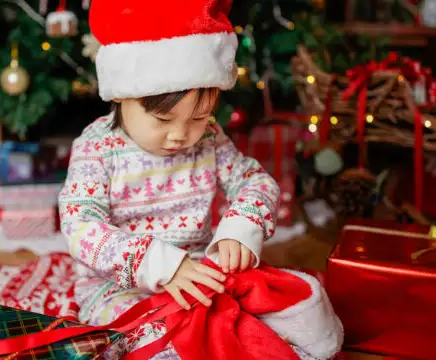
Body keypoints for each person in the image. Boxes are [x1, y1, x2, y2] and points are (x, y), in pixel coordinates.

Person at [59, 0, 343, 359]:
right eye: (163, 121)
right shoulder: (97, 148)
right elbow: (81, 228)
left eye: (199, 117)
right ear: (120, 94)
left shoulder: (208, 137)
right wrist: (157, 265)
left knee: (285, 308)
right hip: (119, 287)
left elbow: (254, 180)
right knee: (159, 338)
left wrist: (241, 226)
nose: (181, 136)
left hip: (201, 271)